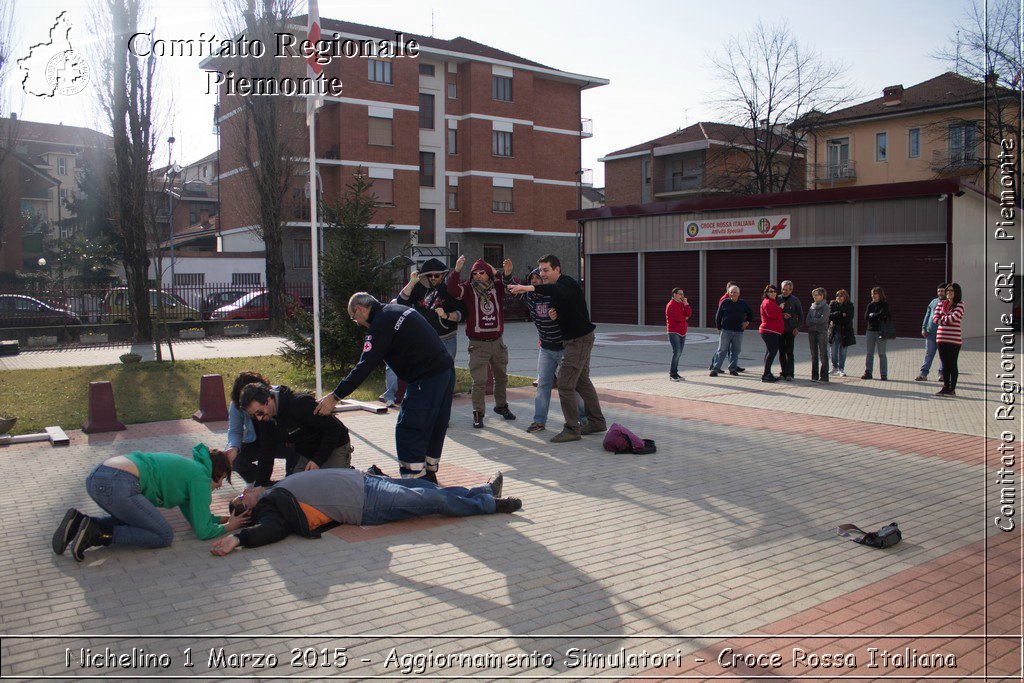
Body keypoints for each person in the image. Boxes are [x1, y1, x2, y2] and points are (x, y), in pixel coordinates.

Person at [209, 468, 521, 555]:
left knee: (429, 490)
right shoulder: (271, 509)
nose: (246, 492)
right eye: (242, 498)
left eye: (242, 491)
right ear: (246, 511)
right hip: (367, 503)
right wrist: (239, 538)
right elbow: (272, 530)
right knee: (433, 503)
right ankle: (490, 505)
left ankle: (481, 491)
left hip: (366, 482)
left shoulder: (274, 489)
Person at [315, 293, 455, 481]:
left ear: (361, 310)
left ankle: (416, 482)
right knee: (433, 425)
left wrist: (335, 397)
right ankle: (429, 473)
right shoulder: (396, 309)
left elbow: (364, 366)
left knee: (409, 428)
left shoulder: (380, 324)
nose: (356, 323)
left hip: (426, 377)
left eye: (354, 318)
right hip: (444, 371)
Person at [52, 444, 250, 562]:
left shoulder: (192, 470)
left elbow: (199, 519)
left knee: (140, 522)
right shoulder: (200, 477)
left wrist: (225, 519)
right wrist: (229, 528)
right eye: (222, 478)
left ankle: (79, 523)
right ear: (214, 472)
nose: (220, 485)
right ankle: (96, 535)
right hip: (119, 482)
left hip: (98, 477)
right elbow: (203, 532)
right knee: (164, 535)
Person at [508, 254, 607, 443]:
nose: (542, 274)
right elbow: (558, 300)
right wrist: (556, 313)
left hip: (579, 340)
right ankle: (597, 421)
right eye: (540, 271)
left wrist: (528, 286)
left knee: (565, 383)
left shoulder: (568, 283)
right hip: (574, 340)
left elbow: (559, 291)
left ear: (557, 270)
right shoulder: (554, 291)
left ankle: (572, 428)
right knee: (582, 381)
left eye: (546, 270)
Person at [508, 266, 585, 433]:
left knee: (572, 385)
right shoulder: (529, 296)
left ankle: (583, 418)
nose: (535, 281)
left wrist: (558, 313)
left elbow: (570, 308)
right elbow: (512, 287)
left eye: (539, 278)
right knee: (543, 385)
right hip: (545, 348)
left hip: (563, 347)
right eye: (532, 279)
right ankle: (539, 421)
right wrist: (507, 274)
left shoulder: (554, 294)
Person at [446, 255, 515, 429]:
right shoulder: (468, 289)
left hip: (498, 342)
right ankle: (478, 413)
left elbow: (510, 288)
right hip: (478, 344)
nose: (477, 276)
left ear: (489, 275)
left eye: (481, 272)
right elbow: (452, 290)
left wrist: (503, 274)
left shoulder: (497, 287)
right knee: (480, 382)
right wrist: (457, 270)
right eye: (474, 273)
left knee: (502, 378)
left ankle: (501, 406)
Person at [241, 383, 353, 473]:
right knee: (295, 488)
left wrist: (317, 461)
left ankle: (349, 474)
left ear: (269, 399)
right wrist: (260, 485)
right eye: (253, 416)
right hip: (308, 453)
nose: (259, 419)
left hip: (335, 446)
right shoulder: (266, 417)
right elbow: (267, 451)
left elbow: (334, 429)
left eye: (259, 413)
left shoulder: (300, 404)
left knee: (332, 487)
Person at [226, 371, 296, 486]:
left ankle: (290, 482)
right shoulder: (237, 404)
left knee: (294, 449)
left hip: (281, 440)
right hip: (256, 441)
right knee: (236, 458)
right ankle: (256, 483)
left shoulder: (276, 397)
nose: (257, 417)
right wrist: (233, 448)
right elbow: (235, 431)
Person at [397, 258, 465, 361]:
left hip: (447, 338)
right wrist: (412, 283)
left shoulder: (448, 290)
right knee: (425, 370)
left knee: (447, 369)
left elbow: (462, 313)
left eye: (436, 275)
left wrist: (446, 316)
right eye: (429, 275)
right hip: (424, 338)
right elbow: (401, 302)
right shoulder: (417, 289)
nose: (433, 278)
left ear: (442, 275)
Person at [710, 285, 753, 377]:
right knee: (722, 350)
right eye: (731, 292)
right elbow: (718, 315)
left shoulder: (743, 303)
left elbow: (751, 314)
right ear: (729, 293)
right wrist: (718, 327)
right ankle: (715, 369)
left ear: (739, 293)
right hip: (726, 331)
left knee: (735, 351)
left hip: (738, 332)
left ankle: (733, 369)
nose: (733, 294)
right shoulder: (725, 302)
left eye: (735, 292)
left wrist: (747, 322)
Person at [934, 282, 965, 397]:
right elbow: (935, 318)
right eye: (947, 291)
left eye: (951, 291)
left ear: (956, 292)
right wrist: (944, 319)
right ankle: (945, 387)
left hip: (954, 340)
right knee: (944, 364)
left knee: (952, 364)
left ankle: (952, 388)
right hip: (941, 338)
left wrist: (943, 319)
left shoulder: (960, 304)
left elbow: (954, 318)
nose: (948, 293)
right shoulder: (941, 303)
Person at [916, 283, 947, 382]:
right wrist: (924, 328)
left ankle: (942, 375)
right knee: (929, 354)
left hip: (943, 333)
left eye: (942, 291)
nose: (940, 293)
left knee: (943, 355)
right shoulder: (933, 302)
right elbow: (927, 315)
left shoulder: (949, 303)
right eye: (939, 291)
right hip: (931, 333)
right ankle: (923, 374)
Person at [708, 281, 740, 372]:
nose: (733, 292)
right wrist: (719, 327)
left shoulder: (732, 298)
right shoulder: (725, 299)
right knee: (722, 348)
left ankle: (733, 365)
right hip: (725, 327)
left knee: (729, 348)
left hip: (731, 327)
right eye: (731, 289)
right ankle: (714, 365)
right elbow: (721, 313)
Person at [863, 286, 892, 380]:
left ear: (880, 294)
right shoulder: (870, 305)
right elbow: (866, 317)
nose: (873, 296)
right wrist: (875, 316)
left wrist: (874, 315)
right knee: (869, 353)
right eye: (872, 294)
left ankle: (883, 374)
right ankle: (868, 372)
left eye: (875, 294)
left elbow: (884, 314)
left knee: (882, 353)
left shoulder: (884, 304)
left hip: (881, 331)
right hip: (870, 331)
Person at [776, 280, 803, 381]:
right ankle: (783, 372)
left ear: (791, 290)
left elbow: (801, 316)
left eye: (787, 290)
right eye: (783, 289)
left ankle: (790, 374)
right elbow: (773, 313)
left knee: (789, 352)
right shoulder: (777, 299)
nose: (784, 291)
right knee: (781, 352)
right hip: (779, 330)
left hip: (791, 330)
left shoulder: (795, 300)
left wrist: (797, 328)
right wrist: (782, 314)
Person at [759, 284, 784, 383]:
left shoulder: (772, 302)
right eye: (771, 291)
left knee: (769, 352)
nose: (773, 293)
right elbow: (772, 315)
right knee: (772, 352)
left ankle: (767, 373)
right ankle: (766, 374)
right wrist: (780, 308)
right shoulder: (768, 302)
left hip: (773, 331)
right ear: (766, 293)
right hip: (769, 331)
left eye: (774, 291)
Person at [665, 288, 692, 381]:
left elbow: (689, 314)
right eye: (680, 294)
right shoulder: (671, 305)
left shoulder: (682, 304)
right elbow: (679, 318)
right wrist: (685, 317)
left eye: (683, 294)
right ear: (674, 294)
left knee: (679, 353)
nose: (682, 296)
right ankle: (672, 374)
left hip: (682, 331)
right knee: (676, 352)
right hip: (674, 332)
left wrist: (686, 304)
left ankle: (675, 372)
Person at [806, 287, 830, 383]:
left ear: (822, 296)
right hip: (812, 332)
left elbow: (822, 320)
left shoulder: (826, 307)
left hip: (822, 332)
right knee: (813, 354)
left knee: (823, 354)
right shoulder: (812, 307)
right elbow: (807, 320)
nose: (814, 297)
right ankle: (814, 375)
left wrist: (813, 320)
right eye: (813, 295)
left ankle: (824, 376)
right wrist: (814, 321)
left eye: (816, 295)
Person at [828, 289, 855, 377]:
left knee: (842, 351)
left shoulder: (850, 305)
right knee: (833, 350)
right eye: (837, 296)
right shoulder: (832, 304)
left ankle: (841, 368)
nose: (838, 298)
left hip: (845, 331)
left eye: (841, 296)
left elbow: (848, 318)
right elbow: (829, 316)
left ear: (845, 297)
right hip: (834, 330)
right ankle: (834, 367)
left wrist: (837, 318)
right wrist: (840, 314)